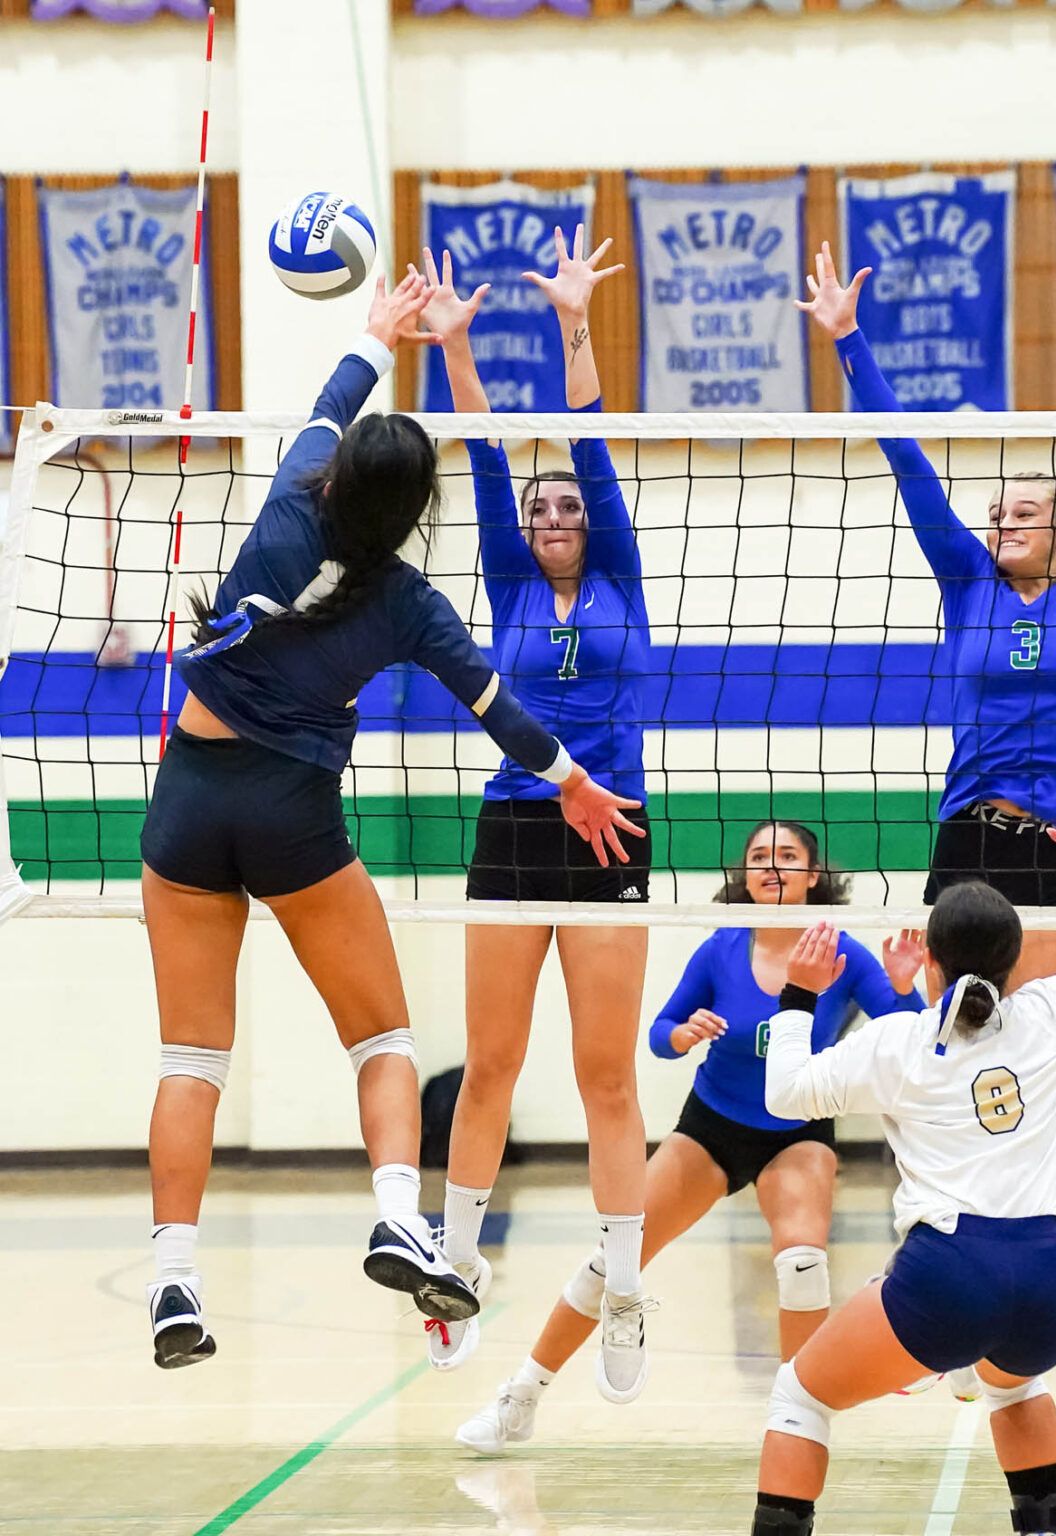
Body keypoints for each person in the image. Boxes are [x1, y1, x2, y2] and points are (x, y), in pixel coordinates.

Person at [139, 271, 639, 1370]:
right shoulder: (410, 604)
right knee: (384, 1039)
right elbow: (499, 710)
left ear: (336, 473)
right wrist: (569, 779)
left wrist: (375, 330)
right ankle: (395, 1211)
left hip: (186, 802)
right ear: (417, 514)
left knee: (192, 1057)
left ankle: (173, 1279)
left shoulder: (283, 504)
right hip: (291, 818)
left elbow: (335, 395)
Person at [748, 793, 1056, 1536]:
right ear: (1015, 958)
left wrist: (799, 994)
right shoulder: (1052, 1014)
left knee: (799, 1395)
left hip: (947, 1278)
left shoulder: (899, 1043)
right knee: (1014, 1386)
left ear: (930, 958)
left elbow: (784, 1096)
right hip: (1046, 1282)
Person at [454, 819, 926, 1451]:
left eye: (787, 856)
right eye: (760, 855)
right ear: (745, 874)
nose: (772, 866)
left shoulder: (840, 952)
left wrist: (902, 985)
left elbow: (911, 1035)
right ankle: (521, 1397)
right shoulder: (720, 949)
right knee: (612, 1260)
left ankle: (798, 1422)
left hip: (799, 1133)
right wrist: (681, 1035)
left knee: (803, 1263)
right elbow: (660, 1031)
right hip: (711, 1127)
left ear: (815, 877)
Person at [799, 233, 1056, 988]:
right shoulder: (971, 585)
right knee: (954, 1037)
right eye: (996, 512)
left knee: (1043, 1047)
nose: (1001, 524)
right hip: (973, 840)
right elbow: (908, 460)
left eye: (1022, 513)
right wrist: (849, 339)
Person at [418, 230, 654, 1396]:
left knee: (606, 1075)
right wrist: (456, 346)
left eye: (569, 499)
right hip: (514, 824)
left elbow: (594, 444)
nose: (555, 507)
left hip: (611, 827)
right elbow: (475, 453)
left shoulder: (615, 574)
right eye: (541, 501)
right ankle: (453, 1269)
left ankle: (622, 1289)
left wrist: (571, 325)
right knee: (491, 1067)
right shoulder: (510, 580)